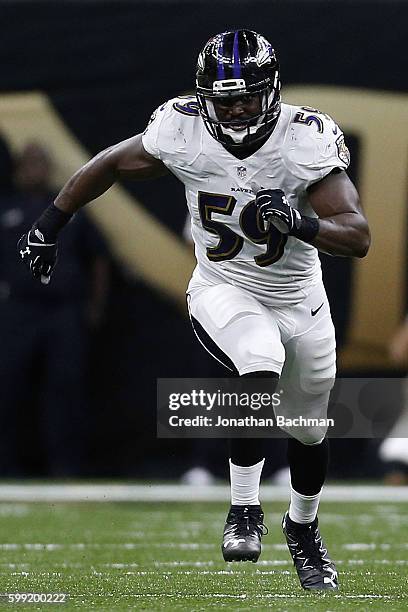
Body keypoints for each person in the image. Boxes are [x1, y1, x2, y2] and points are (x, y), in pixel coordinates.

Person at [17, 31, 370, 589]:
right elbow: (111, 162)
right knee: (258, 359)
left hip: (301, 298)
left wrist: (300, 222)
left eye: (245, 98)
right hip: (223, 284)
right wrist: (51, 223)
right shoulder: (182, 128)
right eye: (222, 99)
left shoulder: (304, 139)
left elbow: (357, 237)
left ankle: (302, 528)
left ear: (271, 92)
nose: (233, 111)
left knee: (308, 428)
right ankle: (244, 508)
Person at [2, 141, 109, 476]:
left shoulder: (70, 208)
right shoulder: (6, 208)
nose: (35, 169)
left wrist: (95, 304)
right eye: (28, 162)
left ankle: (67, 466)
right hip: (17, 310)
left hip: (63, 309)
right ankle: (7, 465)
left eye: (41, 162)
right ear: (18, 168)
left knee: (65, 388)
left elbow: (99, 257)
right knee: (8, 386)